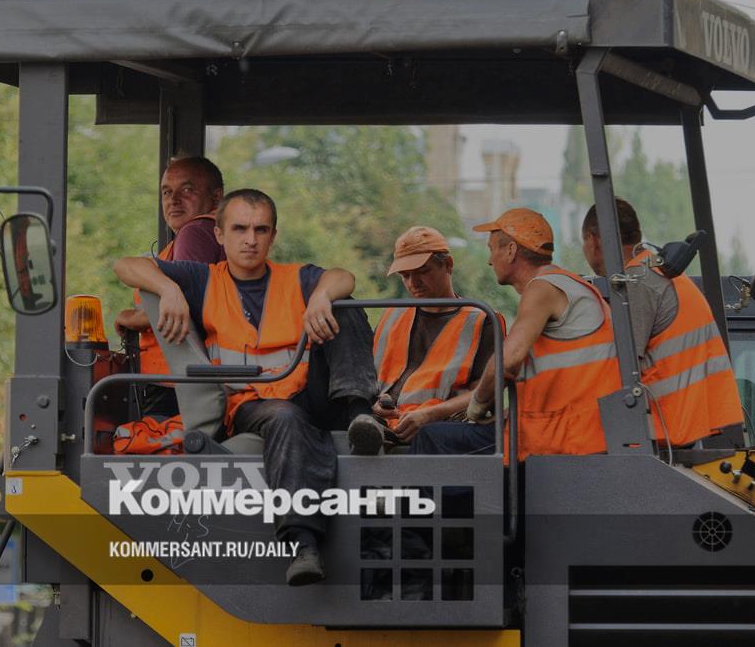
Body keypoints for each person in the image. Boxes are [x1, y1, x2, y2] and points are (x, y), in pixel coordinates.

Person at [112, 188, 378, 586]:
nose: (250, 240)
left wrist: (322, 295)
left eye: (260, 230)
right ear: (219, 235)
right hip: (251, 405)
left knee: (344, 304)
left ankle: (360, 415)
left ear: (273, 236)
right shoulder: (202, 280)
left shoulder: (297, 278)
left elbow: (344, 276)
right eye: (239, 229)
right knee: (285, 417)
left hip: (310, 394)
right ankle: (303, 544)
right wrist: (168, 289)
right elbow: (125, 265)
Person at [412, 208, 620, 460]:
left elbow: (506, 360)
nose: (490, 261)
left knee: (431, 438)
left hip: (567, 435)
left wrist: (476, 407)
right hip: (580, 426)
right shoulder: (566, 284)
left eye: (492, 250)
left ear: (511, 250)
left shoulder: (543, 289)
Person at [580, 199, 743, 448]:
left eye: (584, 241)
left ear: (594, 240)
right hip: (685, 421)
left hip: (665, 426)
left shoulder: (637, 282)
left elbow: (621, 365)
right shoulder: (658, 273)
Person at [349, 226, 496, 455]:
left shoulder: (481, 320)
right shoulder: (392, 316)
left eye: (422, 271)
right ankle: (376, 432)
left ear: (448, 264)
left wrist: (431, 414)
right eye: (405, 275)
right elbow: (369, 376)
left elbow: (485, 394)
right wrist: (375, 404)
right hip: (382, 423)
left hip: (440, 427)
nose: (413, 283)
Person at [115, 156, 227, 419]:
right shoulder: (216, 234)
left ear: (216, 196)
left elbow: (186, 305)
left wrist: (131, 318)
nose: (173, 200)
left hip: (179, 382)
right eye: (166, 192)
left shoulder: (196, 231)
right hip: (191, 379)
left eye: (187, 189)